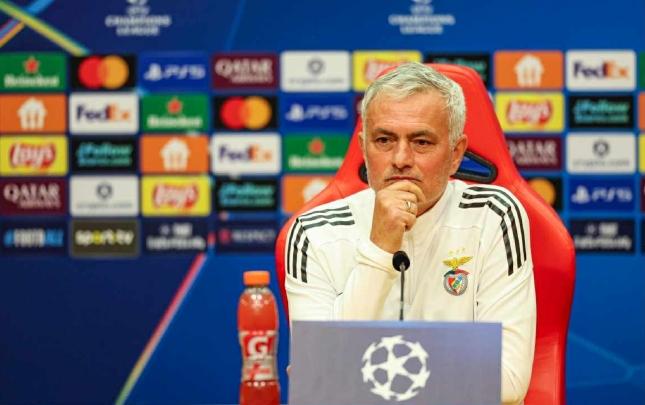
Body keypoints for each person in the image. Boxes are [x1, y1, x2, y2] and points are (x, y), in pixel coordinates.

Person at [284, 62, 536, 405]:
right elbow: (320, 384)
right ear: (363, 147)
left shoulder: (494, 215)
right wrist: (379, 248)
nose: (401, 159)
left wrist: (346, 368)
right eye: (384, 140)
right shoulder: (313, 232)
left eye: (421, 142)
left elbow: (507, 381)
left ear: (456, 154)